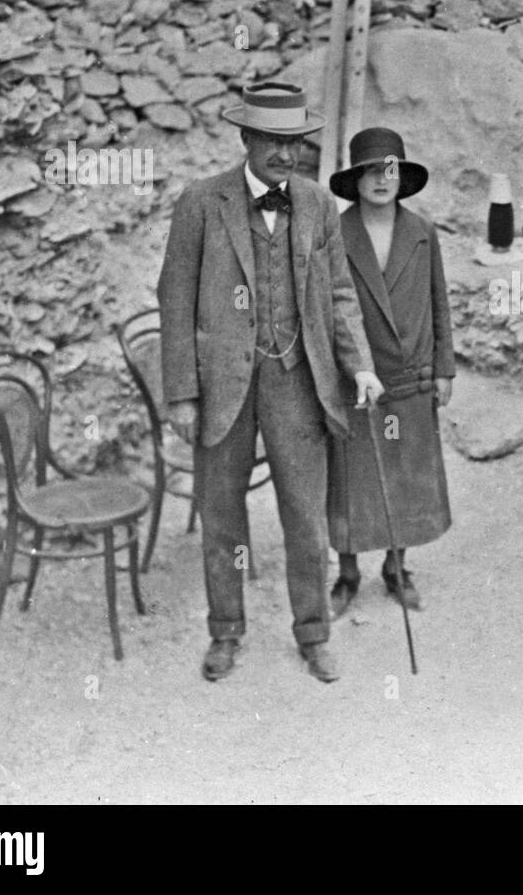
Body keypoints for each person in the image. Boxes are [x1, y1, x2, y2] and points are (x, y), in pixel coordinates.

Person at [157, 81, 383, 683]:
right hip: (221, 386)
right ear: (246, 138)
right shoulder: (202, 203)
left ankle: (312, 634)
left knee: (305, 518)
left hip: (296, 381)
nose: (287, 155)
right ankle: (224, 632)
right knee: (222, 516)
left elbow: (339, 295)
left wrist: (358, 365)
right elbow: (174, 299)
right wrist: (180, 392)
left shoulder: (316, 205)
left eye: (296, 143)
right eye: (274, 142)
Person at [326, 127, 454, 615]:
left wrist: (443, 369)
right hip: (356, 375)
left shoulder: (422, 232)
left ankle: (397, 567)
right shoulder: (335, 233)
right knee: (352, 479)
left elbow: (438, 301)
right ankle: (347, 572)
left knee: (406, 475)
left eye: (391, 170)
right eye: (371, 172)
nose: (382, 180)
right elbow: (328, 307)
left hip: (411, 375)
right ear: (355, 180)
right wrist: (347, 366)